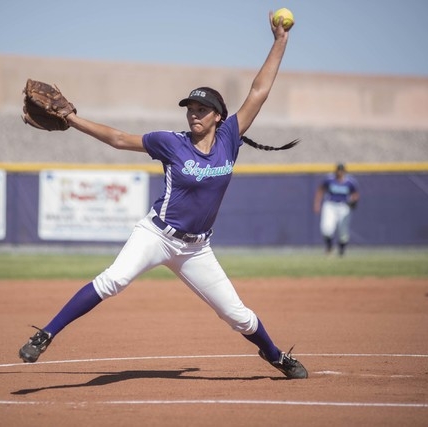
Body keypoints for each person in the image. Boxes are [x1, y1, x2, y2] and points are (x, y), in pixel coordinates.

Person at [18, 10, 308, 379]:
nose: (193, 115)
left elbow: (259, 91)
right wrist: (73, 119)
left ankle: (276, 356)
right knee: (113, 280)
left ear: (219, 116)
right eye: (190, 109)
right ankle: (46, 334)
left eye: (202, 109)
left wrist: (280, 41)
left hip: (196, 248)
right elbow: (119, 139)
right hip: (156, 235)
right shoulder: (170, 143)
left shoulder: (230, 137)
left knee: (236, 314)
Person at [313, 163, 360, 256]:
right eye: (338, 170)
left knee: (343, 231)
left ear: (344, 172)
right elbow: (320, 189)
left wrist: (354, 201)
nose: (340, 172)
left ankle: (342, 251)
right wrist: (317, 203)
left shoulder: (350, 181)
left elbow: (355, 194)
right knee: (326, 228)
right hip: (330, 205)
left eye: (341, 171)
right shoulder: (330, 179)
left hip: (344, 206)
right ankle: (329, 248)